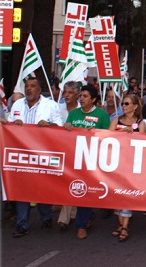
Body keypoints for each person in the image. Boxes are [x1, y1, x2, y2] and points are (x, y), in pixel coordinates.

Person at [0, 77, 63, 238]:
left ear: (39, 89)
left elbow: (60, 127)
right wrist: (13, 125)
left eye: (33, 86)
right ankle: (22, 224)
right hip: (21, 154)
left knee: (41, 187)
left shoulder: (51, 106)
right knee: (22, 188)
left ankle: (46, 217)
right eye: (27, 86)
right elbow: (10, 126)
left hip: (42, 154)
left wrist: (49, 126)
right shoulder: (17, 105)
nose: (29, 89)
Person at [64, 84, 111, 239]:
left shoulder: (102, 115)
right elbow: (65, 135)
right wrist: (67, 127)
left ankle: (81, 225)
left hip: (92, 159)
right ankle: (88, 215)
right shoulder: (73, 114)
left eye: (85, 96)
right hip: (75, 158)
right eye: (81, 96)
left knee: (83, 190)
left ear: (93, 99)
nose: (81, 99)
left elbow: (107, 137)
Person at [108, 94, 145, 242]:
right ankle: (120, 223)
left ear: (135, 106)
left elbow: (144, 140)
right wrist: (120, 133)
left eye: (127, 103)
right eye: (123, 103)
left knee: (127, 192)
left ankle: (125, 225)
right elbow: (107, 136)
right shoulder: (116, 120)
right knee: (117, 193)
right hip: (117, 162)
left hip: (131, 163)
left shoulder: (141, 122)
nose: (124, 106)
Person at [57, 81, 81, 229]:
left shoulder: (81, 111)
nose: (66, 95)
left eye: (70, 92)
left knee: (73, 183)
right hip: (58, 151)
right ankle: (72, 212)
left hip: (76, 153)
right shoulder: (57, 108)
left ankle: (64, 218)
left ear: (78, 95)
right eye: (65, 92)